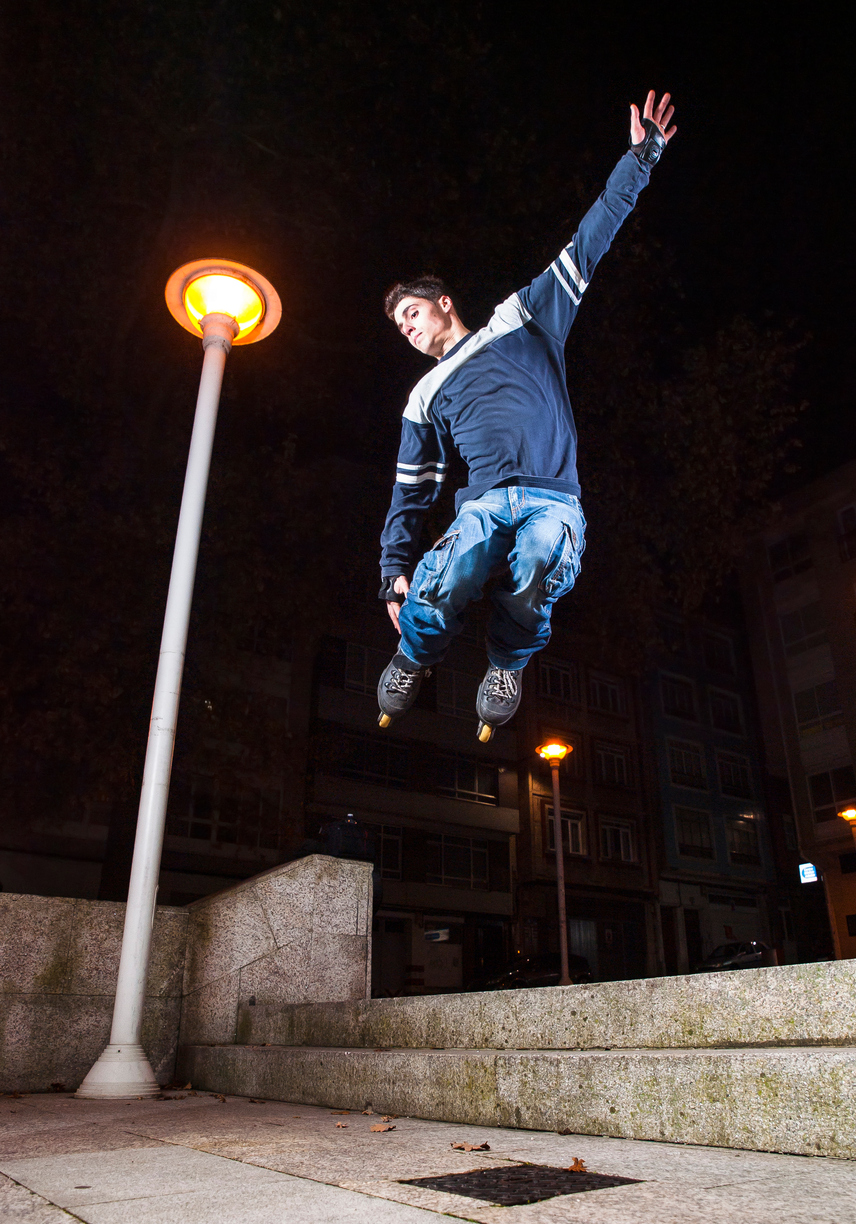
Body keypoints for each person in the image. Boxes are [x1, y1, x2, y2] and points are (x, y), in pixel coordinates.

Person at [377, 92, 677, 740]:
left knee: (541, 558)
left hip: (552, 498)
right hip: (484, 499)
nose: (407, 329)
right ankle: (415, 652)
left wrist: (641, 158)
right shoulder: (423, 397)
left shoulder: (525, 318)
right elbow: (411, 491)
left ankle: (506, 665)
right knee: (456, 565)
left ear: (444, 304)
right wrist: (392, 573)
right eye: (399, 327)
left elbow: (590, 241)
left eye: (412, 314)